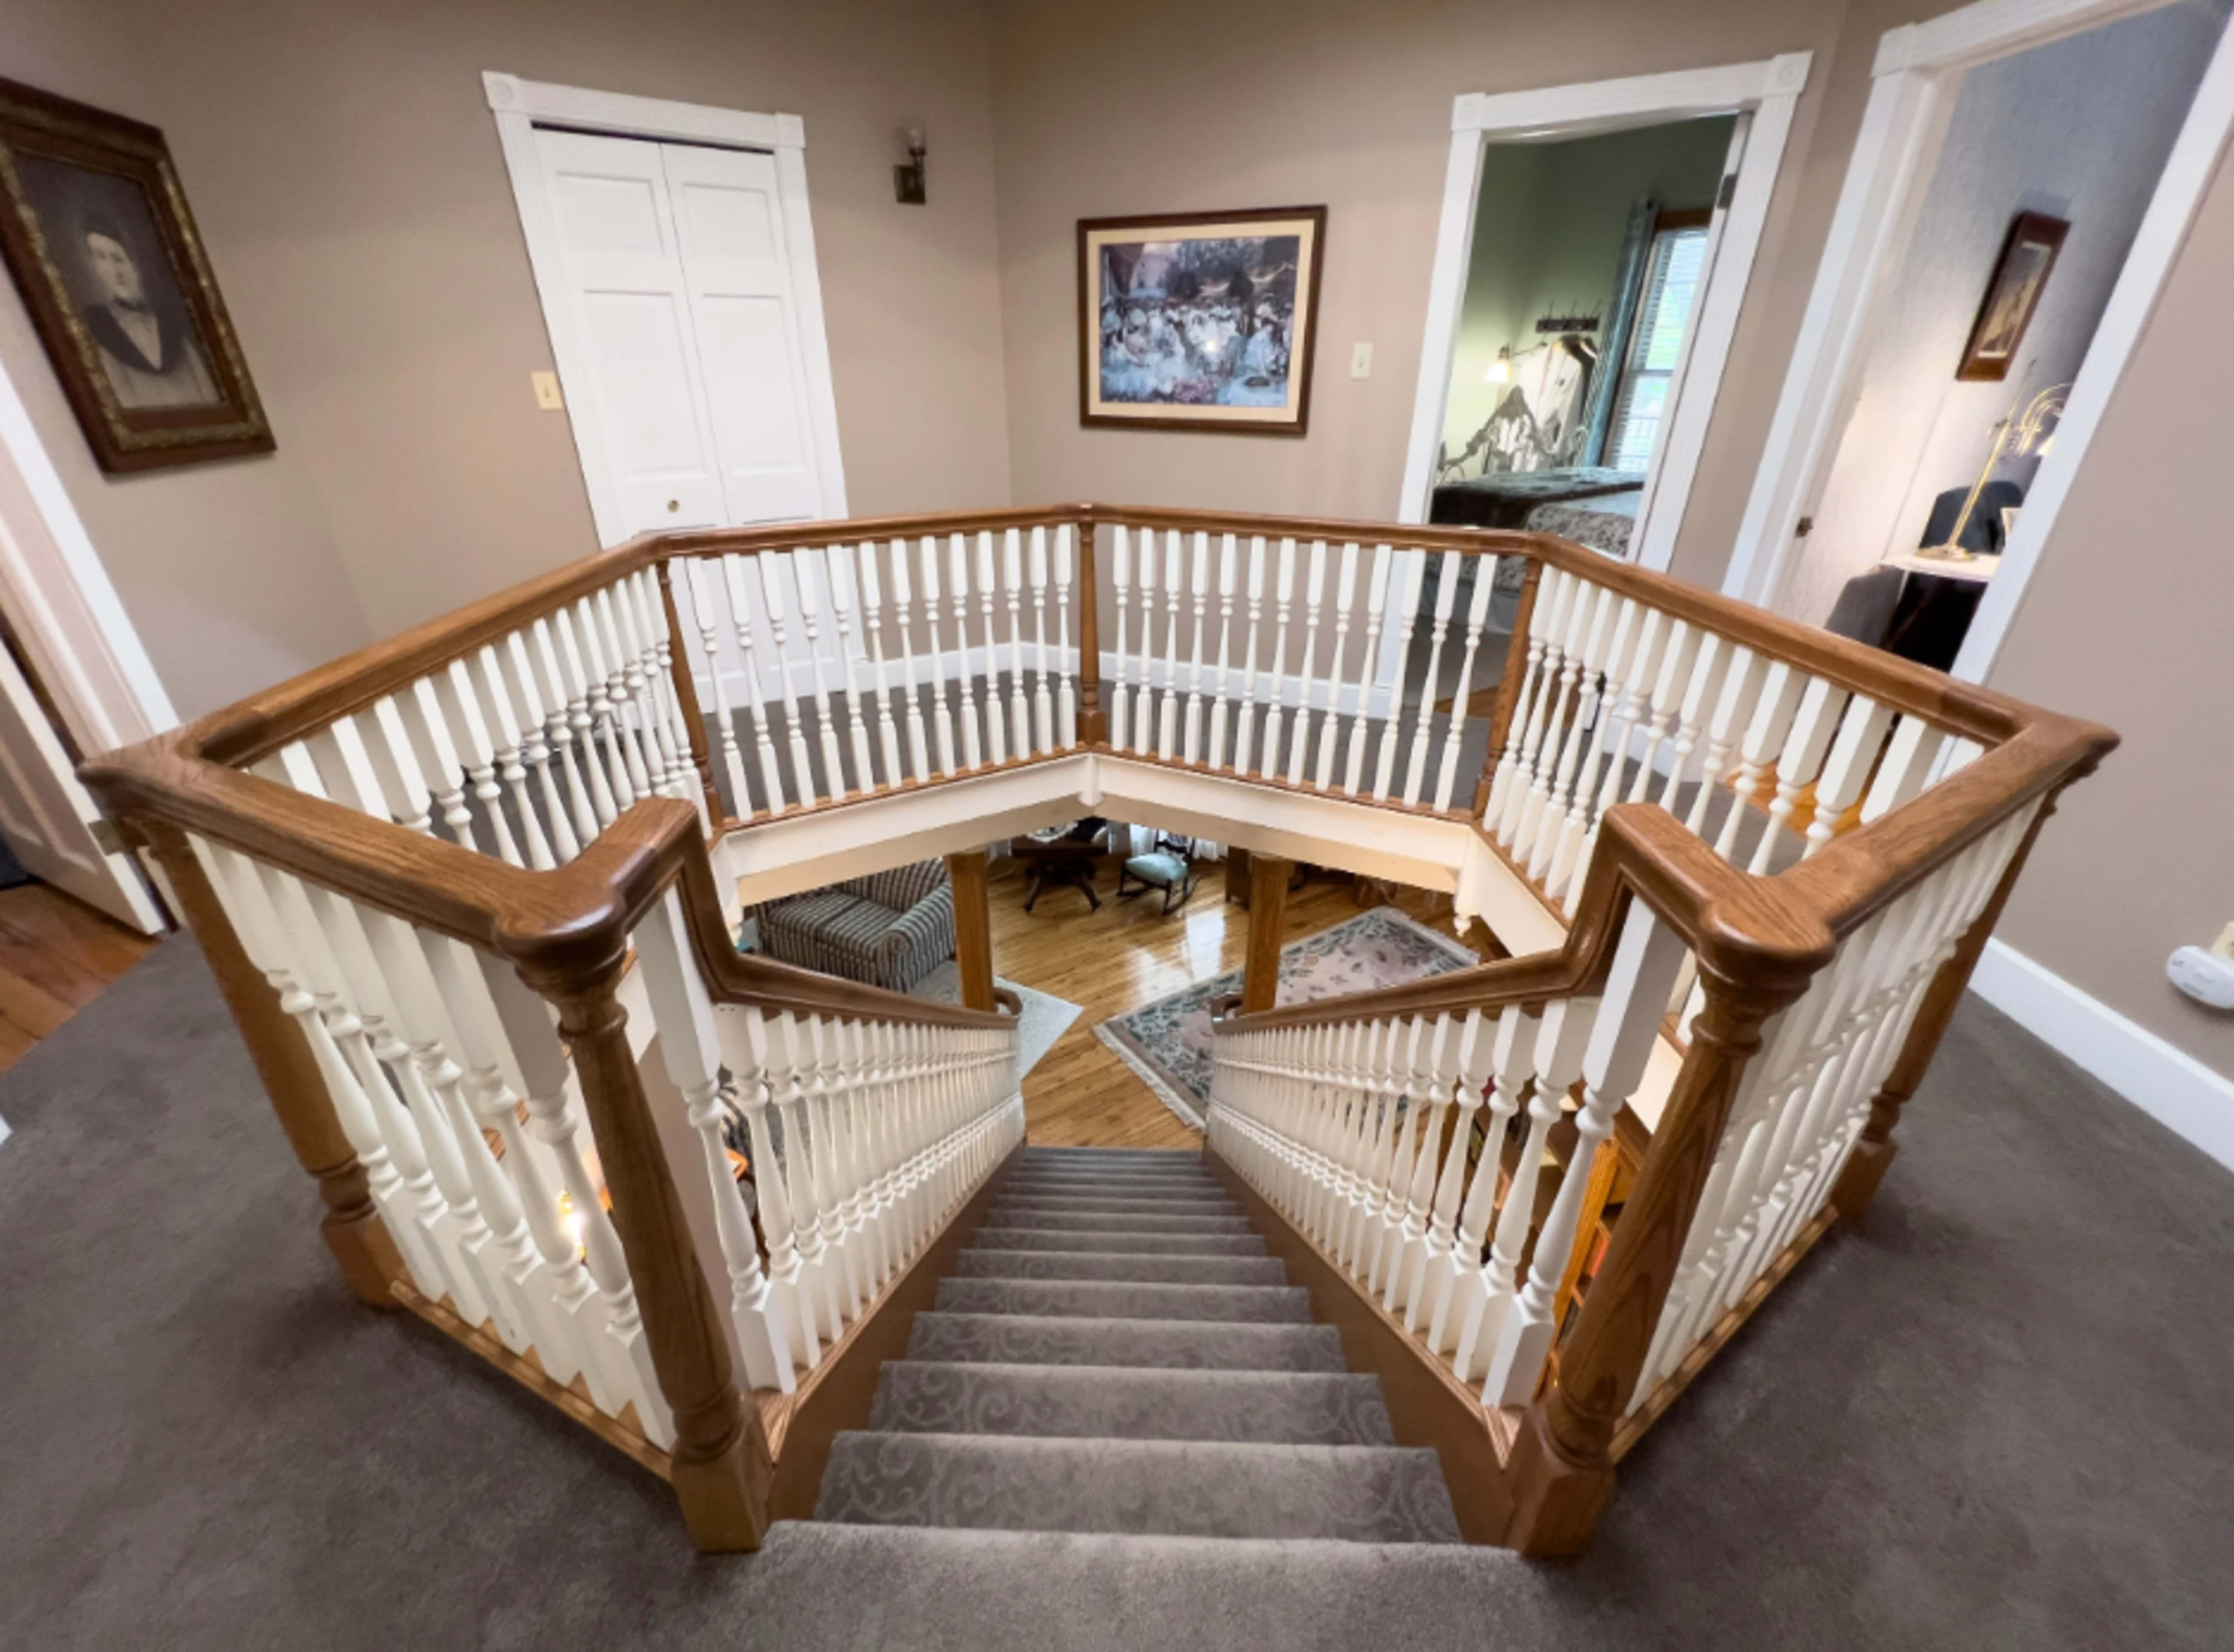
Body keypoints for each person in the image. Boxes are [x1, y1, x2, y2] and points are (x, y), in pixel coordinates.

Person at [77, 213, 218, 409]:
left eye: (118, 259)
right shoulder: (99, 329)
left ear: (135, 266)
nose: (114, 271)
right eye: (101, 257)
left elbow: (206, 389)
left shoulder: (169, 324)